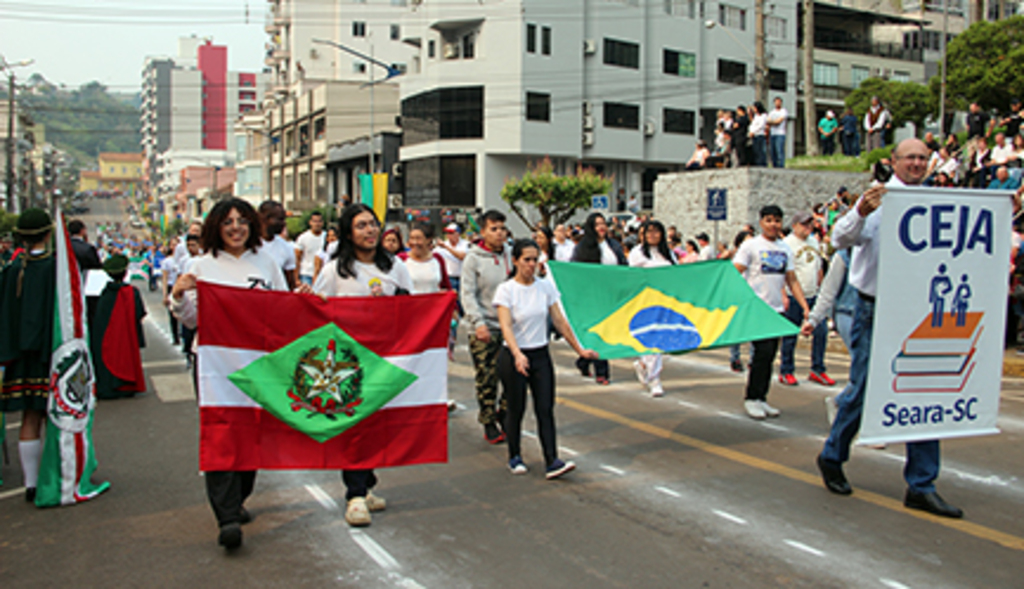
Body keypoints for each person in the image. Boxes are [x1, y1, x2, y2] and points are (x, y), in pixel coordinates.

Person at [814, 138, 963, 518]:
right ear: (893, 161)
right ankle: (833, 455)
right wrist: (860, 211)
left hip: (921, 314)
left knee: (926, 395)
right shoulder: (877, 202)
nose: (917, 163)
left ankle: (921, 484)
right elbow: (840, 238)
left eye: (923, 158)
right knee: (865, 391)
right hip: (874, 310)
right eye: (910, 157)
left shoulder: (937, 203)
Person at [169, 198, 288, 550]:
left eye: (242, 221)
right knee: (220, 432)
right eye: (228, 222)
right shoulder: (200, 265)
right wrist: (178, 295)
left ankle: (237, 498)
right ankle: (227, 517)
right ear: (216, 227)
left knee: (250, 433)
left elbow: (282, 310)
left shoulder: (266, 262)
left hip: (258, 365)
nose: (236, 228)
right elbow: (189, 319)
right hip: (214, 364)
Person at [312, 203, 412, 528]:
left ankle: (366, 485)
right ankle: (354, 495)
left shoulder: (395, 267)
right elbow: (315, 312)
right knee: (353, 427)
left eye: (373, 224)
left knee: (374, 425)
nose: (369, 231)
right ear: (347, 232)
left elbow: (409, 309)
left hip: (384, 361)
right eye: (361, 226)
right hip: (347, 364)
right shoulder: (334, 271)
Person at [495, 239, 596, 479]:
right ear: (517, 261)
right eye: (526, 259)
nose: (531, 264)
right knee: (516, 408)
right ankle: (515, 455)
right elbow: (506, 326)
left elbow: (560, 321)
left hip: (540, 354)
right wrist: (518, 354)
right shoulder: (506, 290)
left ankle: (552, 459)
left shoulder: (545, 287)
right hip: (513, 356)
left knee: (545, 408)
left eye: (535, 259)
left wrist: (579, 350)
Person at [0, 209, 57, 502]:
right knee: (56, 417)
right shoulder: (54, 268)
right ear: (48, 234)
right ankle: (57, 477)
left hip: (18, 354)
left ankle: (30, 483)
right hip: (49, 352)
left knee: (29, 416)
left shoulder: (10, 269)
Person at [732, 205, 809, 420]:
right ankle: (751, 398)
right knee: (762, 353)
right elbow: (736, 272)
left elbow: (791, 279)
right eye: (768, 220)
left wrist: (804, 306)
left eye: (776, 220)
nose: (773, 224)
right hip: (757, 309)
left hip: (777, 309)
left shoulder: (785, 248)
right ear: (761, 223)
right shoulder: (751, 246)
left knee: (769, 356)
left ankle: (761, 398)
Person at [460, 210, 513, 444]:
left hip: (510, 327)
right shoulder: (473, 258)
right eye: (494, 229)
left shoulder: (512, 255)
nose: (499, 233)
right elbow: (468, 294)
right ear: (482, 232)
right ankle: (488, 420)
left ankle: (505, 413)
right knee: (488, 378)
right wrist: (478, 323)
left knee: (512, 376)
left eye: (502, 228)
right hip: (485, 327)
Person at [778, 211, 833, 387]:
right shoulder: (787, 244)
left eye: (810, 224)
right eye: (803, 224)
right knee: (790, 335)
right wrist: (783, 294)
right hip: (794, 295)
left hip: (813, 294)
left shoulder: (814, 242)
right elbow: (782, 273)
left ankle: (818, 368)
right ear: (794, 226)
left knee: (821, 332)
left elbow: (818, 267)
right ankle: (786, 370)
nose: (807, 228)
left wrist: (822, 288)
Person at [572, 212, 626, 384]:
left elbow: (624, 266)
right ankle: (602, 372)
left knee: (609, 332)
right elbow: (576, 272)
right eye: (597, 224)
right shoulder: (583, 247)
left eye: (603, 223)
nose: (601, 227)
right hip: (593, 297)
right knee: (599, 333)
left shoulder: (614, 245)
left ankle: (584, 360)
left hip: (611, 296)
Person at [627, 220, 677, 397]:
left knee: (665, 343)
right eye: (649, 232)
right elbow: (632, 277)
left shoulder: (668, 254)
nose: (652, 235)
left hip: (666, 303)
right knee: (651, 341)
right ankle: (654, 379)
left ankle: (642, 365)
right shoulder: (637, 253)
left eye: (656, 232)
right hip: (646, 303)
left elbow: (677, 275)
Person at [90, 254, 147, 400]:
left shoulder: (104, 294)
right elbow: (139, 313)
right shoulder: (131, 292)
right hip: (126, 335)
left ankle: (108, 386)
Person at [398, 223, 451, 294]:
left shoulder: (438, 258)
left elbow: (446, 286)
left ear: (428, 240)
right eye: (411, 238)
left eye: (418, 238)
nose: (414, 242)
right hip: (410, 304)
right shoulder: (401, 259)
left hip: (434, 304)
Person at [258, 200, 297, 289]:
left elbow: (290, 283)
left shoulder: (286, 247)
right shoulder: (248, 244)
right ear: (265, 219)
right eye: (280, 219)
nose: (284, 223)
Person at [294, 211, 326, 286]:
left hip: (322, 274)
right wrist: (296, 279)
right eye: (315, 221)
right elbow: (297, 259)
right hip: (306, 274)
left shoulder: (327, 237)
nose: (317, 224)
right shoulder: (303, 238)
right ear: (310, 222)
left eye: (319, 221)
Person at [160, 242, 181, 346]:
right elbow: (164, 278)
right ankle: (175, 336)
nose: (175, 246)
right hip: (171, 287)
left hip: (181, 287)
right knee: (172, 313)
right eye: (173, 245)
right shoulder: (167, 261)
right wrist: (165, 294)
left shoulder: (183, 259)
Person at [767, 97, 788, 168]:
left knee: (779, 150)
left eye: (779, 102)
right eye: (776, 102)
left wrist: (772, 122)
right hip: (773, 134)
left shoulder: (783, 111)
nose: (777, 103)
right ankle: (774, 166)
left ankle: (781, 166)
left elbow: (779, 121)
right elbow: (768, 121)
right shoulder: (772, 112)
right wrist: (772, 122)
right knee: (773, 151)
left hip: (780, 134)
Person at [749, 102, 769, 167]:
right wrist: (751, 131)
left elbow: (761, 125)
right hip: (755, 135)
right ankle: (757, 163)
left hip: (760, 135)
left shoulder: (764, 115)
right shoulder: (756, 116)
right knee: (756, 150)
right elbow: (753, 125)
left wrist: (754, 131)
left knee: (761, 151)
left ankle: (762, 164)